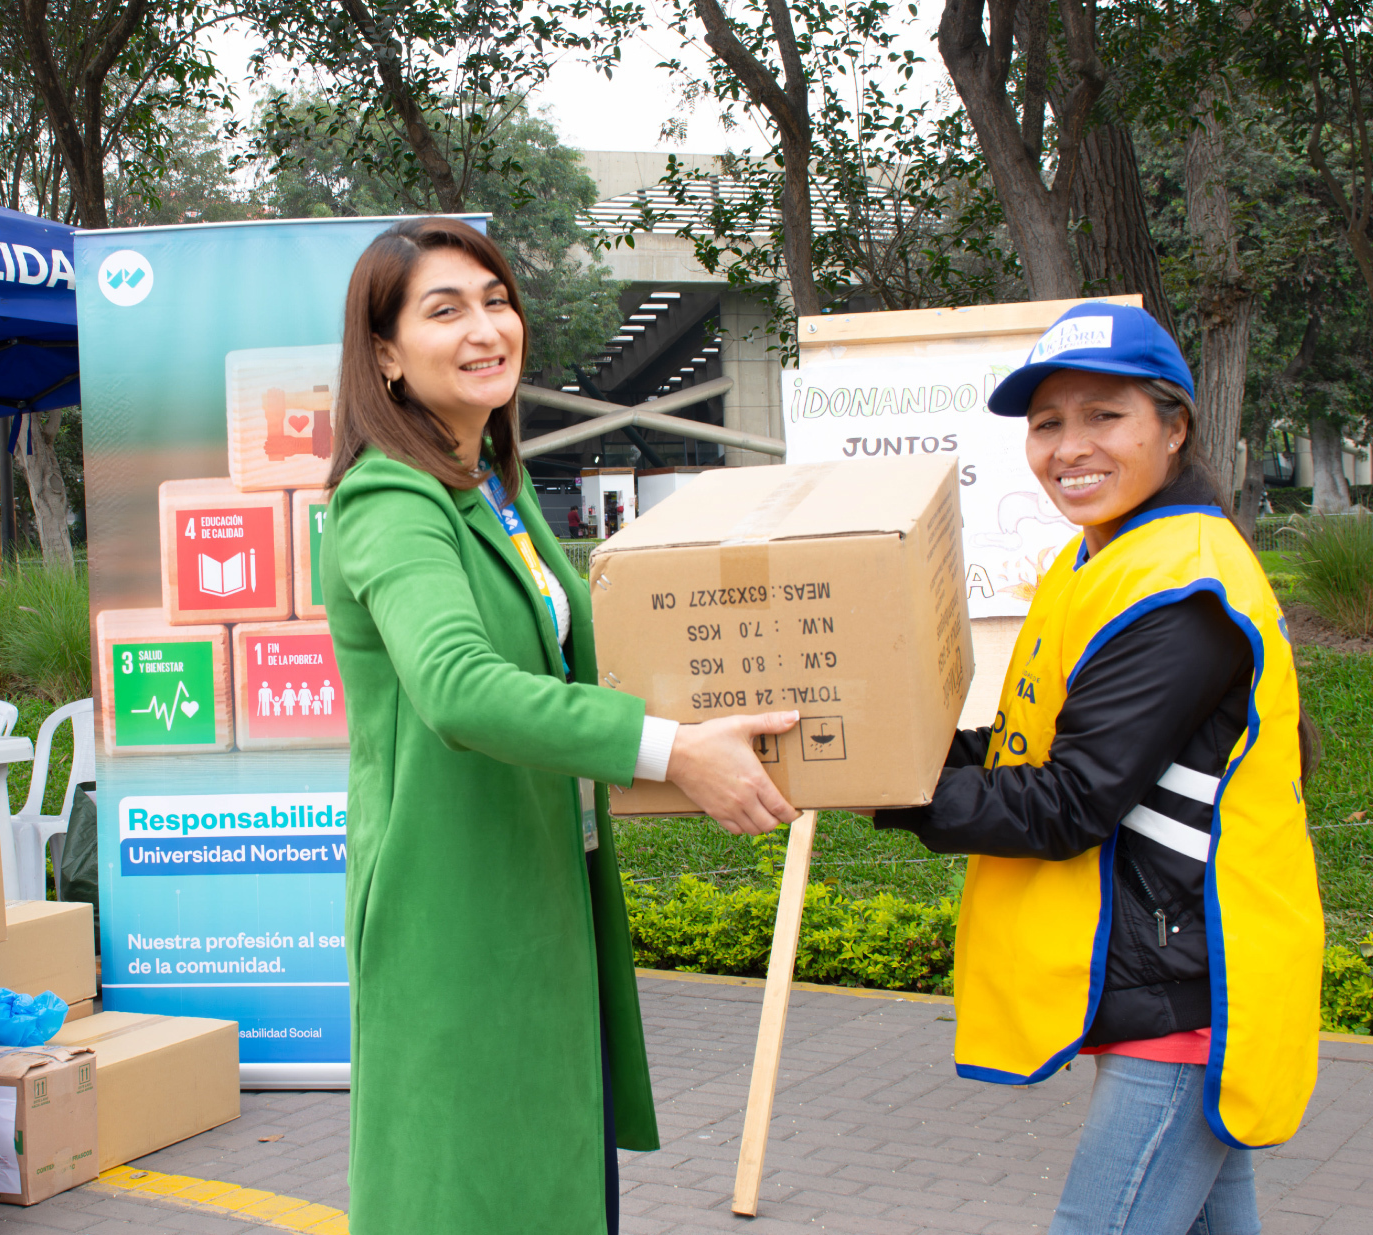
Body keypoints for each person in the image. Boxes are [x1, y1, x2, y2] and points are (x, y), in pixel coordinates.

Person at [321, 216, 802, 1235]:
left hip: (541, 886)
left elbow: (587, 658)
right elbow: (457, 684)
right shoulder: (387, 501)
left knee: (551, 1176)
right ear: (383, 354)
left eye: (496, 300)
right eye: (443, 309)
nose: (485, 326)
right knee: (469, 1188)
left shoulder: (492, 490)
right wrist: (673, 750)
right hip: (454, 906)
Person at [874, 302, 1322, 1234]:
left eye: (1103, 415)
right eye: (1047, 424)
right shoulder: (1104, 560)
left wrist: (886, 784)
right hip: (1177, 978)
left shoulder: (1181, 589)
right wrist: (870, 748)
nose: (1068, 447)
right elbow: (1025, 750)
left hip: (1192, 991)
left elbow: (1067, 802)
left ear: (1175, 425)